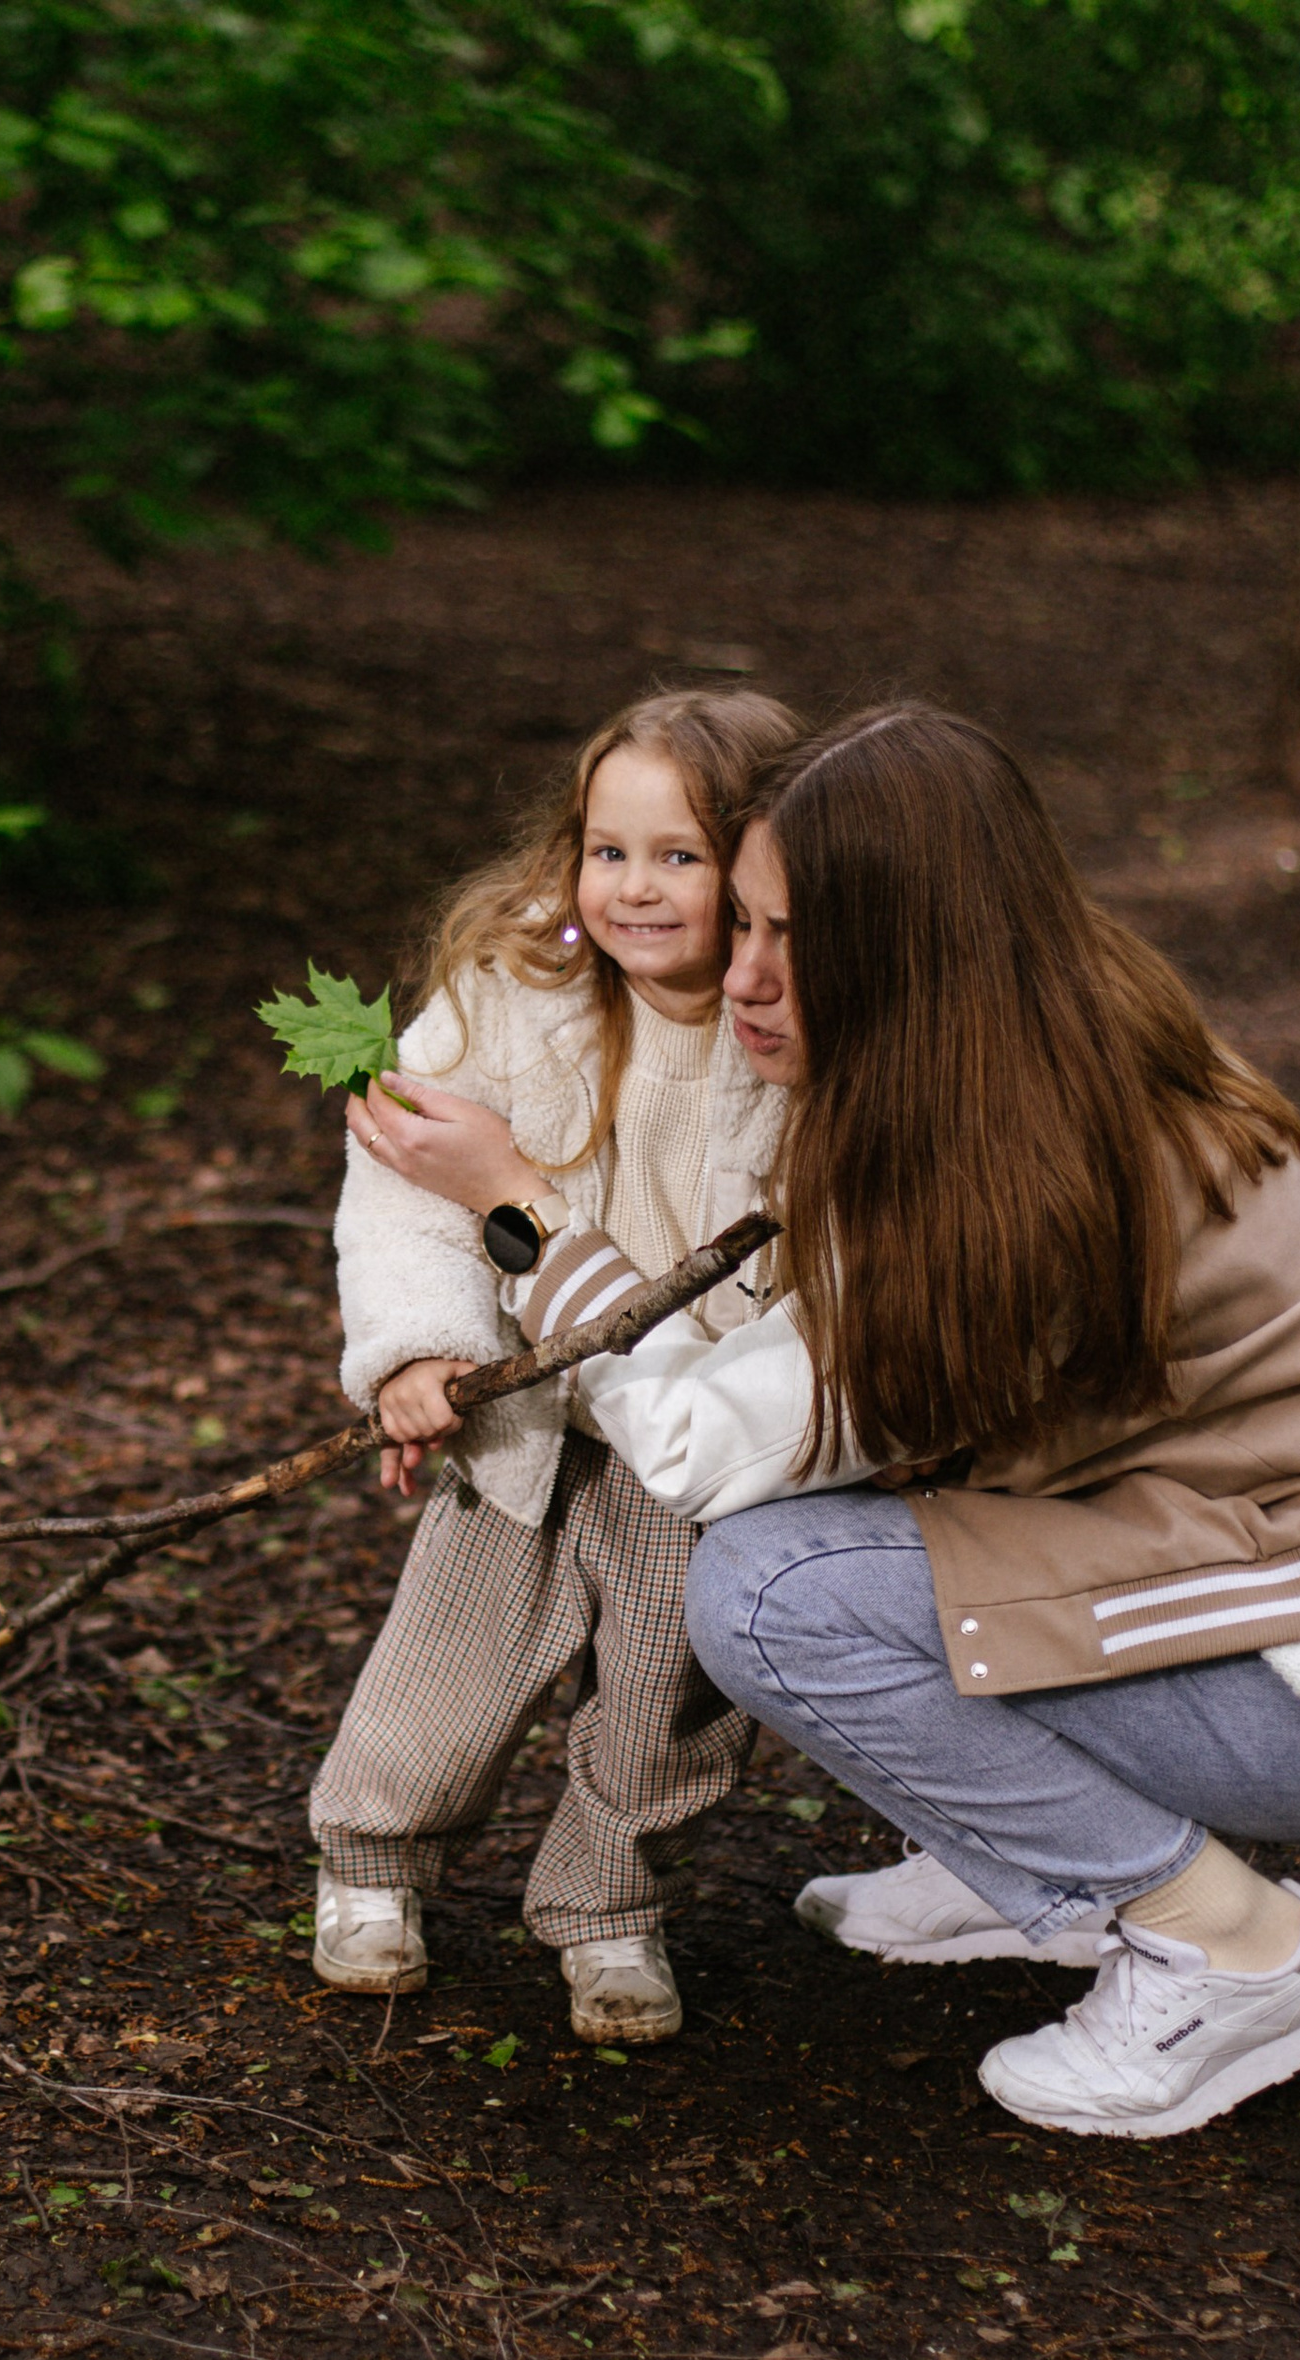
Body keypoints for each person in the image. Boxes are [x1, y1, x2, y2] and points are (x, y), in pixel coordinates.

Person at [345, 701, 1300, 2137]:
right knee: (837, 1528)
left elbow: (696, 1454)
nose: (748, 981)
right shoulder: (1034, 1038)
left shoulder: (1006, 1182)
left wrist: (522, 1204)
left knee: (771, 1590)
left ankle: (1229, 1947)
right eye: (753, 928)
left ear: (922, 947)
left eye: (798, 943)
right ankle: (1016, 1859)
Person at [313, 688, 801, 2043]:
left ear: (762, 866)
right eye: (608, 849)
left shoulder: (794, 1028)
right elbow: (408, 1185)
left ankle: (610, 1905)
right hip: (530, 1405)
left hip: (693, 1426)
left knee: (667, 1689)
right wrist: (420, 1349)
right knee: (452, 1659)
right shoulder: (516, 995)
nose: (635, 888)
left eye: (681, 857)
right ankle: (371, 1860)